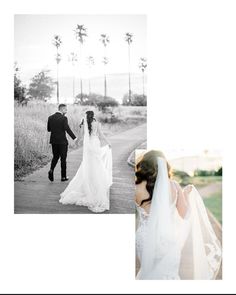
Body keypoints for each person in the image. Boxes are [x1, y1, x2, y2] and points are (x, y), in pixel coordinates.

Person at [135, 150, 222, 280]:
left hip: (143, 238)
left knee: (147, 272)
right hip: (166, 239)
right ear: (165, 167)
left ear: (143, 165)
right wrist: (185, 195)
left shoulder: (136, 186)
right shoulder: (173, 186)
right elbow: (185, 215)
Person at [59, 110, 112, 213]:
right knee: (97, 164)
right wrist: (108, 142)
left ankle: (88, 183)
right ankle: (96, 185)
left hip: (89, 146)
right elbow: (101, 135)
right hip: (96, 144)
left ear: (86, 116)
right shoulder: (97, 123)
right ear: (93, 116)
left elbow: (82, 135)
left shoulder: (84, 122)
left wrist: (76, 142)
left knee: (88, 164)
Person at [47, 104, 77, 182]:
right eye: (65, 110)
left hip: (54, 141)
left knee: (55, 157)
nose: (66, 111)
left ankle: (51, 170)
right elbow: (67, 129)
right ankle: (63, 177)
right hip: (62, 142)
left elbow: (49, 129)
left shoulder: (50, 117)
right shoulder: (64, 118)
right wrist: (74, 138)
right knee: (63, 159)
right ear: (62, 109)